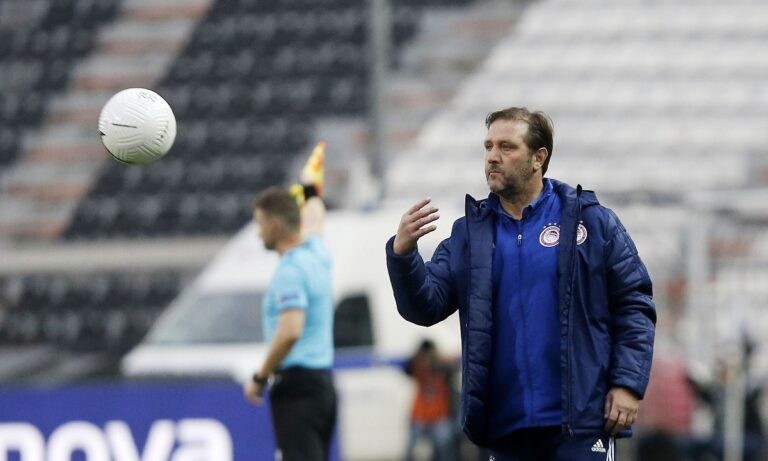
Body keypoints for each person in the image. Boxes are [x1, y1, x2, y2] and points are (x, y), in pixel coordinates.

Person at [385, 107, 656, 460]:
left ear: (538, 158)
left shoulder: (590, 222)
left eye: (507, 147)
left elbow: (634, 303)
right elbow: (425, 307)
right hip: (505, 429)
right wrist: (403, 254)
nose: (492, 157)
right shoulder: (470, 235)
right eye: (488, 147)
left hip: (581, 423)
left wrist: (627, 383)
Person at [244, 142, 337, 461]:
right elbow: (315, 217)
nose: (258, 233)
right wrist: (310, 189)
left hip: (297, 388)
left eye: (259, 224)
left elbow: (290, 331)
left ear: (274, 224)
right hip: (322, 385)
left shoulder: (290, 270)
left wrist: (260, 377)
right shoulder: (317, 251)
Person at [403, 339, 458, 461]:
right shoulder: (417, 366)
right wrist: (419, 357)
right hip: (420, 416)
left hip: (440, 416)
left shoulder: (442, 366)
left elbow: (452, 368)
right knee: (410, 451)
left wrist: (436, 359)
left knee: (445, 450)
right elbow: (407, 368)